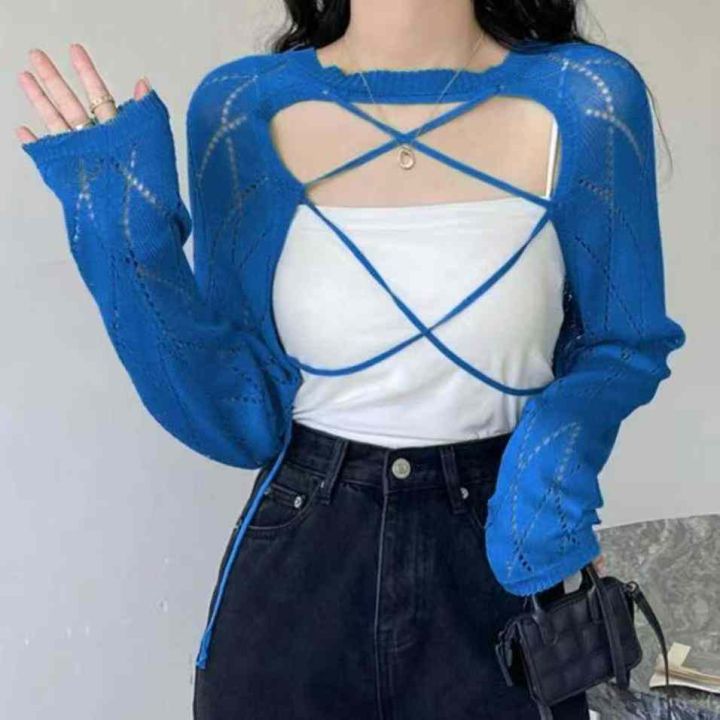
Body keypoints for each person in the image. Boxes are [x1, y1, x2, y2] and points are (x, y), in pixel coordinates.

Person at [17, 0, 686, 717]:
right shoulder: (240, 109)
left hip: (501, 563)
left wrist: (550, 466)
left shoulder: (587, 97)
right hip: (298, 568)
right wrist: (129, 246)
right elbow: (239, 420)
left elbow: (623, 343)